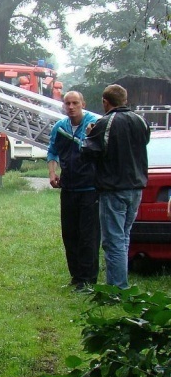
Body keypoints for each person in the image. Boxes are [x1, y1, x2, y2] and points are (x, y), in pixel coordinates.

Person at [81, 84, 150, 289]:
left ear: (105, 101)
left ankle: (118, 287)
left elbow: (89, 152)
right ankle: (120, 282)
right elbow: (144, 142)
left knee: (113, 241)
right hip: (136, 188)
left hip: (113, 189)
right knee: (124, 236)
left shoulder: (105, 122)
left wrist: (89, 134)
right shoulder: (140, 121)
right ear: (125, 99)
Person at [47, 91, 100, 291]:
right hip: (68, 187)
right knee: (70, 235)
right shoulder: (60, 127)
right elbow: (52, 150)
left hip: (90, 188)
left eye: (75, 103)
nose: (71, 106)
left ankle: (88, 279)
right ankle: (76, 277)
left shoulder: (94, 124)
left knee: (88, 236)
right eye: (67, 103)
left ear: (82, 104)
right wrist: (52, 173)